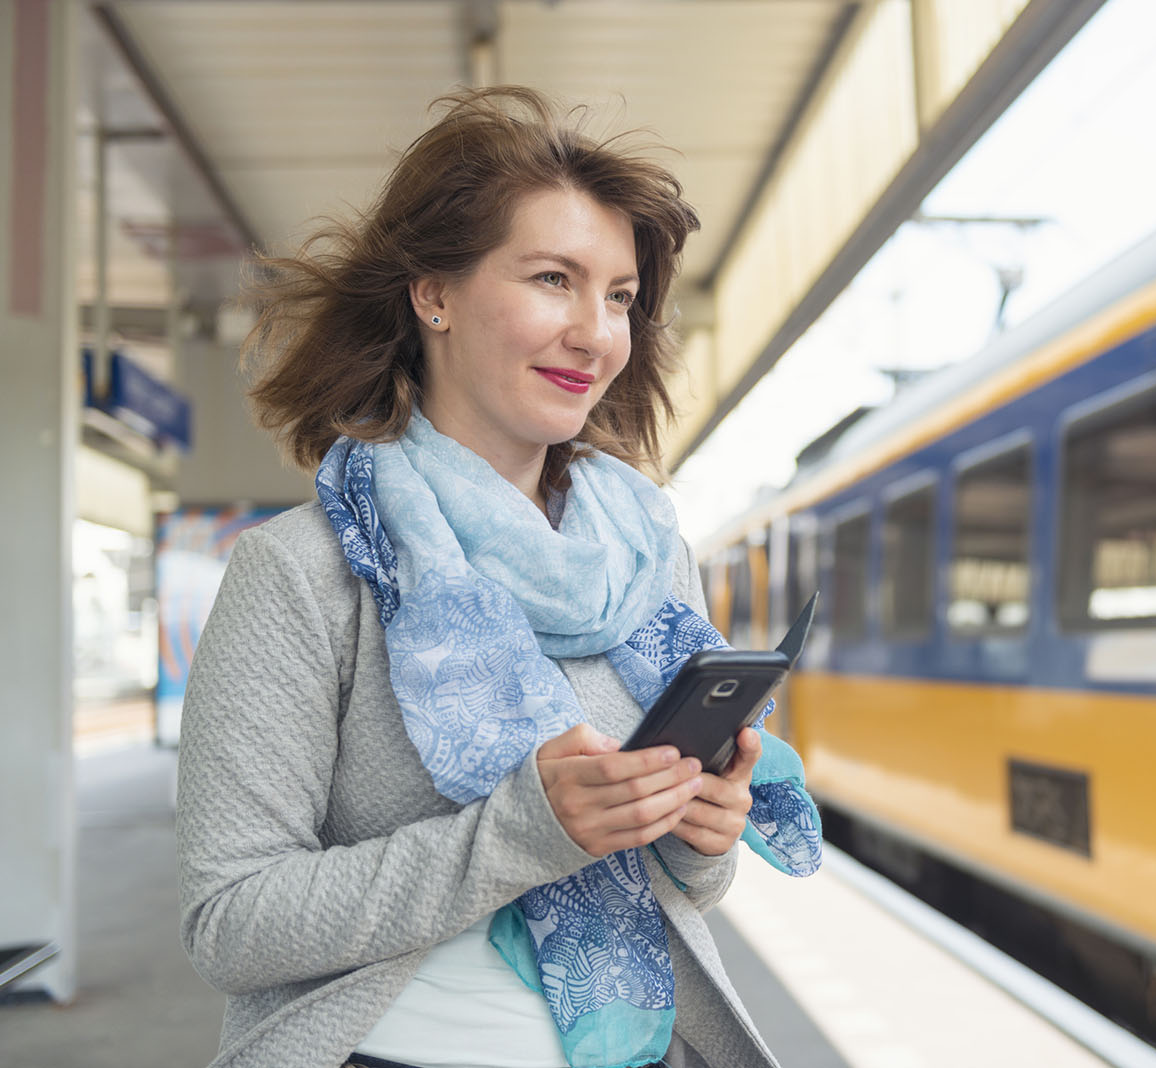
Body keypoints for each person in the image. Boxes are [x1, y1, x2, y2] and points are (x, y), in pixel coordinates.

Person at [175, 87, 821, 1068]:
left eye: (618, 297)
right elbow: (229, 923)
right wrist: (523, 833)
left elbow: (691, 893)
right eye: (553, 279)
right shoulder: (302, 574)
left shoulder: (651, 555)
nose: (596, 333)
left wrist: (701, 835)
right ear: (433, 294)